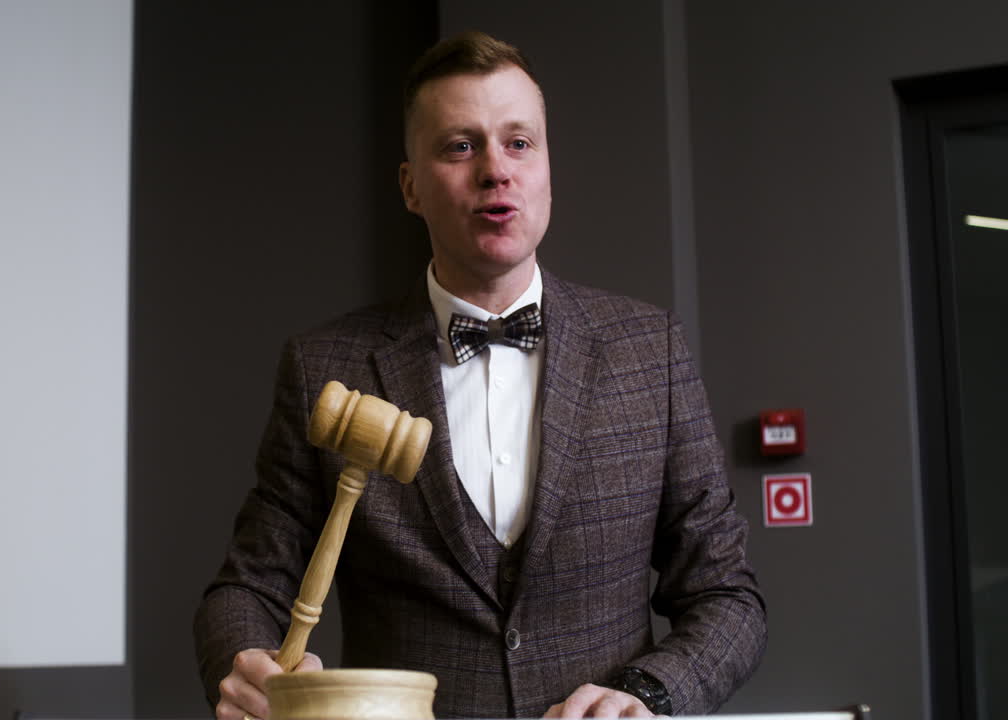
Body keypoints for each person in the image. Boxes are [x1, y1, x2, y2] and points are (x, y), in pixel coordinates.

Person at [194, 31, 766, 719]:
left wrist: (648, 695)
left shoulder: (651, 353)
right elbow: (247, 588)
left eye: (519, 143)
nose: (496, 170)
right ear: (410, 186)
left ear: (548, 169)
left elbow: (726, 597)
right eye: (461, 146)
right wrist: (242, 660)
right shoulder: (326, 368)